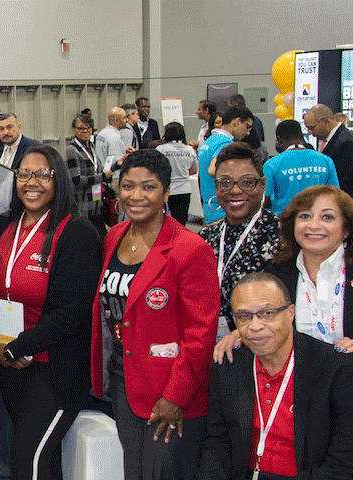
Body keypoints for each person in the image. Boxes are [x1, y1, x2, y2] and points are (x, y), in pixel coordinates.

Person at [215, 184, 353, 470]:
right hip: (306, 405)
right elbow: (272, 319)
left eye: (327, 217)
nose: (314, 226)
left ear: (347, 228)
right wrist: (242, 332)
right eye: (304, 217)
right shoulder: (276, 272)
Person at [91, 149, 219, 480]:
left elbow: (201, 334)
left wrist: (176, 397)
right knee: (135, 470)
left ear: (165, 192)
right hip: (123, 380)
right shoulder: (114, 236)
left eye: (148, 187)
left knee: (162, 472)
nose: (136, 196)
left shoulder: (190, 249)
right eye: (128, 186)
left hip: (170, 389)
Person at [0, 145, 103, 480]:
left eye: (42, 174)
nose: (31, 182)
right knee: (44, 462)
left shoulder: (75, 233)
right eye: (24, 174)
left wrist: (16, 347)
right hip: (10, 363)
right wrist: (2, 346)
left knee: (28, 460)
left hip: (53, 367)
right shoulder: (4, 226)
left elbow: (72, 313)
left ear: (58, 180)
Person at [197, 272, 353, 480]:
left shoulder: (341, 369)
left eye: (267, 313)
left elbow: (347, 464)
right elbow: (217, 445)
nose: (255, 326)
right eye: (244, 316)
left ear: (291, 313)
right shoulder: (229, 365)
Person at [198, 142, 282, 334]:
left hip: (264, 346)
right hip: (213, 348)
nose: (235, 191)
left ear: (262, 185)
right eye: (225, 183)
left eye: (247, 182)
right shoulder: (205, 239)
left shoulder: (284, 237)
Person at [268, 119, 339, 214]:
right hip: (316, 218)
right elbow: (335, 194)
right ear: (302, 137)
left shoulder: (272, 164)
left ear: (279, 140)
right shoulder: (326, 161)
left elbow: (266, 199)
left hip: (284, 221)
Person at [199, 106, 255, 223]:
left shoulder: (211, 140)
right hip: (222, 210)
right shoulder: (225, 142)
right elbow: (213, 170)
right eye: (247, 127)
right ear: (237, 121)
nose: (248, 132)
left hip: (211, 207)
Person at [67, 114, 107, 231]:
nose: (85, 131)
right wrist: (102, 177)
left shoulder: (92, 147)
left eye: (88, 128)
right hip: (81, 205)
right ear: (74, 130)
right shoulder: (72, 150)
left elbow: (96, 169)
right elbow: (77, 180)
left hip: (96, 203)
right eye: (81, 128)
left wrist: (115, 165)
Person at [155, 123, 198, 224]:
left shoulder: (161, 149)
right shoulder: (189, 150)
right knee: (180, 222)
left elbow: (155, 169)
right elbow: (193, 170)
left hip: (165, 190)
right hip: (184, 190)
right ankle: (179, 239)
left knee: (162, 221)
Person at [94, 107, 130, 177]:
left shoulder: (102, 133)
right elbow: (117, 162)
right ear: (116, 120)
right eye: (125, 118)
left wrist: (123, 149)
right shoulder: (114, 138)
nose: (127, 120)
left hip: (102, 173)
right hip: (113, 177)